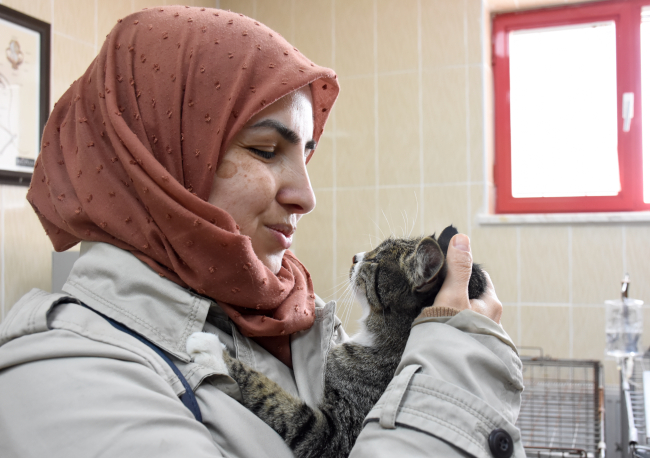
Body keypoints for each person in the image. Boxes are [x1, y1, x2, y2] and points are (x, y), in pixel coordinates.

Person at [0, 6, 523, 458]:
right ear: (154, 162)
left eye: (308, 153)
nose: (308, 196)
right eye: (265, 151)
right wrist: (455, 372)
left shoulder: (294, 325)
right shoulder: (64, 383)